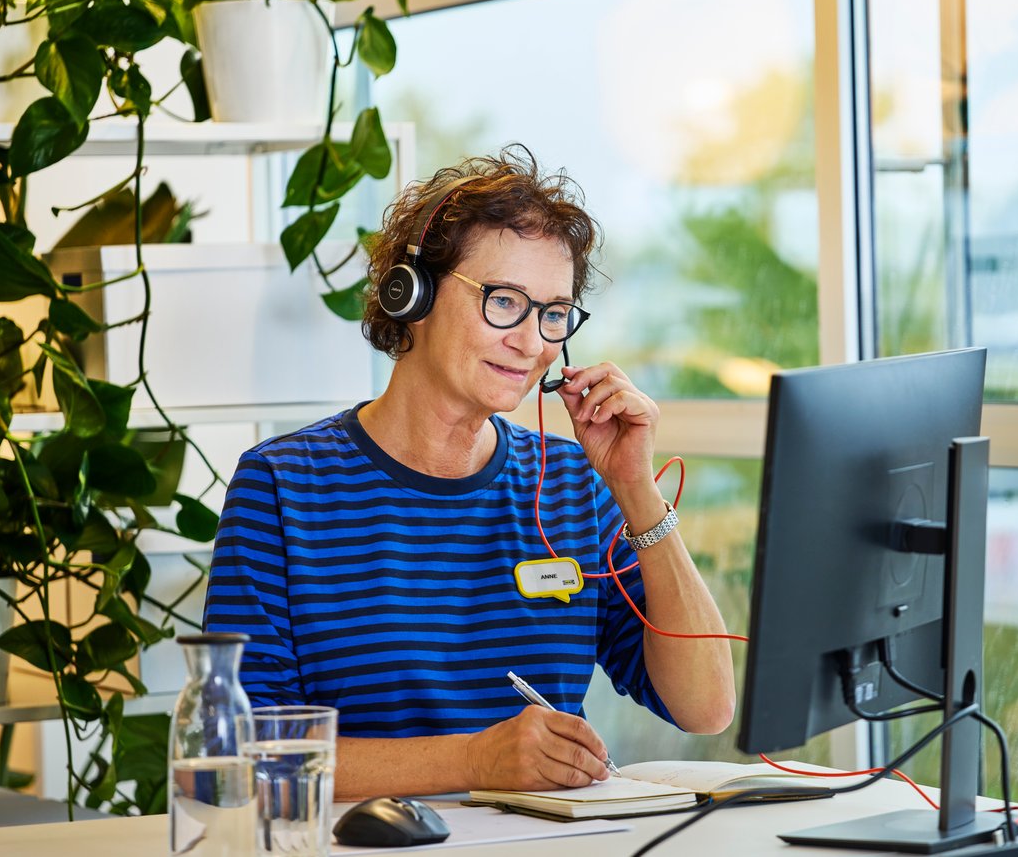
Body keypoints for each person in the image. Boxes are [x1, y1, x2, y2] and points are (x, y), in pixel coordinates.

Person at [203, 146, 736, 801]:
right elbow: (241, 757)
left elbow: (706, 705)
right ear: (414, 294)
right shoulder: (282, 487)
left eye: (553, 312)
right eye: (505, 301)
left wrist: (635, 489)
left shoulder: (571, 482)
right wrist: (474, 761)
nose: (534, 341)